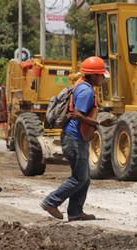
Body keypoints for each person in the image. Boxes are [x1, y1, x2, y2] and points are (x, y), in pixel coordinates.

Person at [40, 56, 114, 221]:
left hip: (75, 138)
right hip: (74, 139)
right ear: (94, 75)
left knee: (84, 178)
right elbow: (77, 114)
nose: (102, 79)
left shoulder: (82, 86)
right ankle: (51, 201)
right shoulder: (86, 91)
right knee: (79, 178)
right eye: (101, 75)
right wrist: (99, 122)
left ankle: (75, 212)